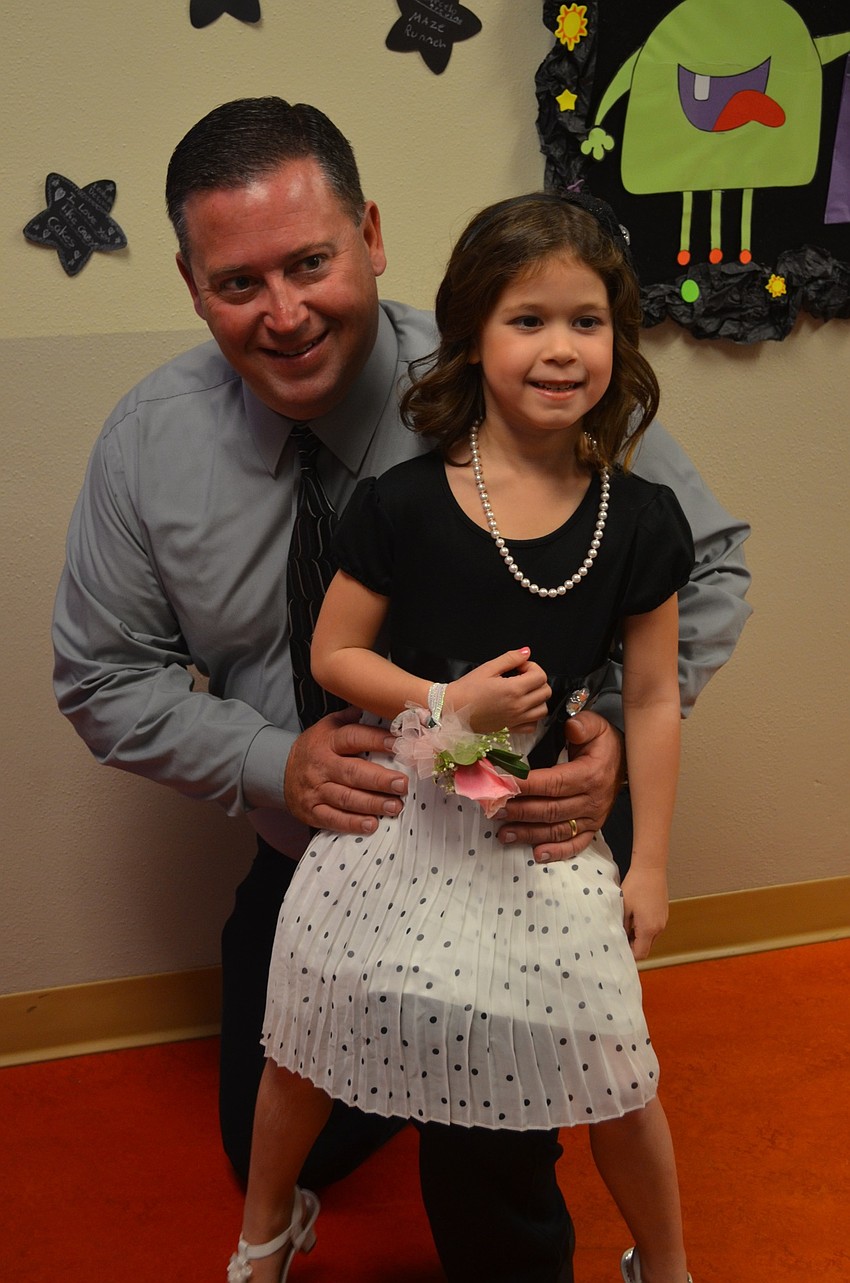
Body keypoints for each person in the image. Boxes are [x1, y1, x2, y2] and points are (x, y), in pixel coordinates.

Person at [52, 98, 749, 1283]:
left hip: (516, 819)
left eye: (311, 261)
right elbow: (100, 674)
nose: (283, 313)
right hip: (331, 848)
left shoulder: (521, 360)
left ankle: (508, 1143)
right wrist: (273, 760)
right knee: (277, 1128)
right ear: (188, 283)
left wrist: (605, 748)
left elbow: (696, 566)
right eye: (236, 282)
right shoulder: (144, 445)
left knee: (486, 1155)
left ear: (371, 233)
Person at [227, 192, 694, 1283]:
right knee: (302, 1044)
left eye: (586, 321)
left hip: (540, 834)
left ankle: (663, 1261)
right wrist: (442, 708)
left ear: (617, 340)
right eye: (527, 320)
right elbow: (335, 655)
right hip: (405, 821)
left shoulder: (641, 521)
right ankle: (265, 1226)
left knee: (617, 1069)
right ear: (473, 335)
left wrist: (656, 859)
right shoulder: (401, 502)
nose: (559, 348)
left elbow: (659, 695)